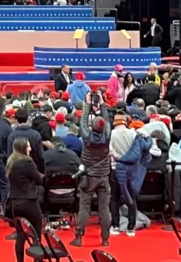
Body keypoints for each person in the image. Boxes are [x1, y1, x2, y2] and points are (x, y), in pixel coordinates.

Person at [71, 92, 112, 247]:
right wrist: (102, 104)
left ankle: (79, 236)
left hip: (89, 177)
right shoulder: (107, 136)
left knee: (84, 207)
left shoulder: (87, 136)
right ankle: (105, 239)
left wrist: (87, 104)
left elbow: (82, 120)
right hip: (104, 176)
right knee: (104, 208)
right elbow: (106, 120)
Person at [7, 137, 43, 262]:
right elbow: (39, 180)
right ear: (23, 148)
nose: (30, 148)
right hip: (29, 201)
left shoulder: (10, 161)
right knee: (37, 233)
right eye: (28, 146)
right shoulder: (28, 162)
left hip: (15, 202)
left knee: (20, 235)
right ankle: (37, 259)